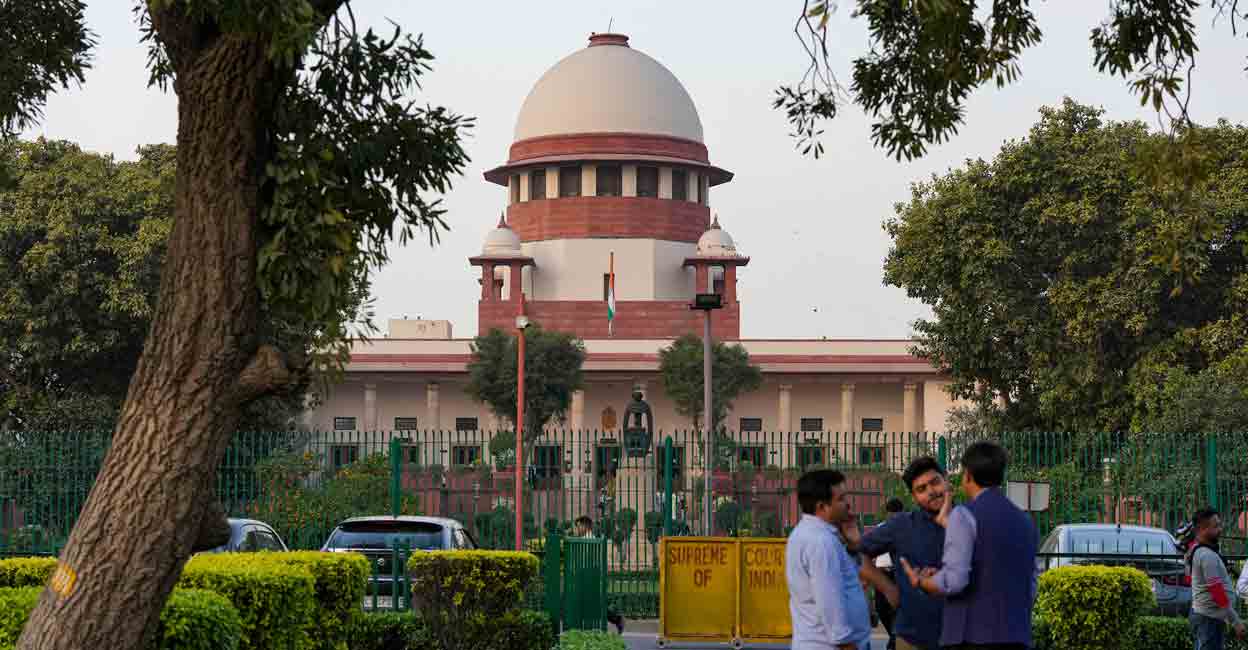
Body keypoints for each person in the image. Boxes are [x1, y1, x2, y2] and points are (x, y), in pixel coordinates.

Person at [899, 441, 1037, 650]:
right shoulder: (1024, 520)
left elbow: (955, 581)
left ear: (968, 476)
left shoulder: (964, 514)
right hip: (1017, 635)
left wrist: (922, 582)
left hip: (971, 636)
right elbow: (1031, 583)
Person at [854, 459, 947, 650]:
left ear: (946, 480)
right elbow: (856, 554)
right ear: (913, 497)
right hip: (912, 638)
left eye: (935, 482)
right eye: (921, 489)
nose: (931, 491)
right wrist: (888, 588)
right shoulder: (902, 525)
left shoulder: (970, 521)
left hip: (962, 637)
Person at [786, 469, 871, 650]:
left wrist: (854, 546)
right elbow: (829, 600)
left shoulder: (816, 534)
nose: (847, 504)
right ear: (822, 507)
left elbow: (850, 580)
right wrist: (847, 644)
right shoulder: (821, 541)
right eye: (840, 499)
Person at [1188, 508, 1245, 650]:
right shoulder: (1206, 555)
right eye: (1215, 526)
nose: (1220, 529)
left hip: (1209, 618)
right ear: (1202, 529)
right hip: (1208, 620)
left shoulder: (1203, 550)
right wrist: (1235, 621)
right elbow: (1217, 592)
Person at [573, 515, 626, 634]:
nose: (577, 529)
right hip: (590, 576)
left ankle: (615, 619)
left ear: (585, 526)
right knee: (594, 604)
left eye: (578, 526)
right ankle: (616, 619)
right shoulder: (586, 539)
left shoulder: (589, 539)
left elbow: (587, 560)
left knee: (593, 604)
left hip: (591, 577)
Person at [871, 497, 906, 650]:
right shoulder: (880, 528)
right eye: (891, 514)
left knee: (897, 610)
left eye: (896, 514)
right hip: (881, 574)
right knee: (881, 608)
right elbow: (870, 552)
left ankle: (893, 641)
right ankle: (893, 638)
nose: (893, 517)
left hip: (898, 574)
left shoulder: (907, 529)